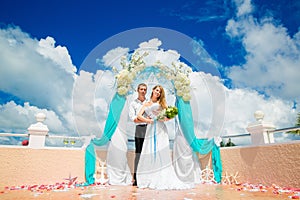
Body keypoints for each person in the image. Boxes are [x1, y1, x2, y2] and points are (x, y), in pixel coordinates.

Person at [136, 85, 194, 190]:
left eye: (160, 91)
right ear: (153, 90)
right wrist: (147, 120)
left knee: (160, 150)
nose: (158, 93)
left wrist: (163, 119)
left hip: (160, 128)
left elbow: (169, 116)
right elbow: (139, 115)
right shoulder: (146, 103)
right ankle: (148, 177)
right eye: (157, 90)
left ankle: (161, 175)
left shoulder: (161, 103)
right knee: (148, 150)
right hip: (150, 128)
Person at [128, 83, 148, 186]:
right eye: (141, 89)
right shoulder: (133, 104)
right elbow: (134, 119)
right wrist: (145, 119)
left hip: (149, 129)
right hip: (139, 130)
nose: (143, 91)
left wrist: (141, 118)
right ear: (137, 90)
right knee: (138, 153)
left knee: (148, 153)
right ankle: (136, 178)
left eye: (145, 89)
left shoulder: (149, 103)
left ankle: (147, 177)